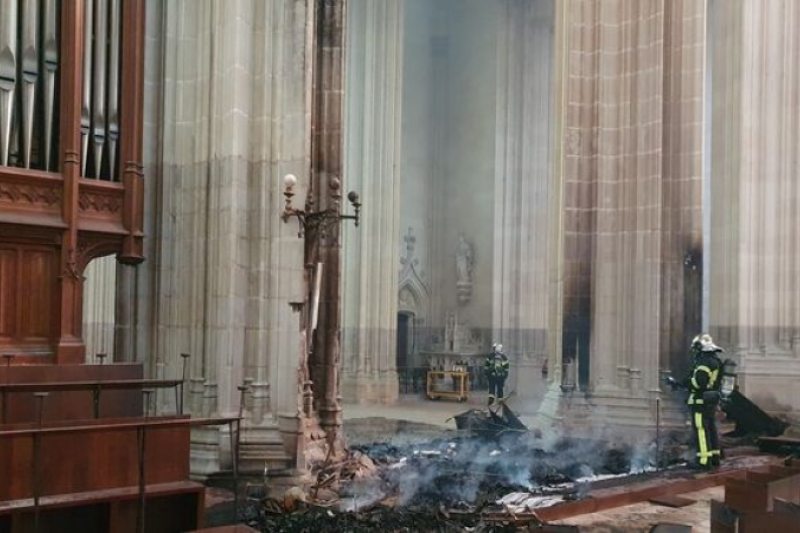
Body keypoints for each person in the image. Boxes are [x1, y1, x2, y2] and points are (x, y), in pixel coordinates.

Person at [685, 333, 725, 469]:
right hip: (710, 401)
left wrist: (686, 382)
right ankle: (714, 458)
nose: (695, 353)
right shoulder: (716, 361)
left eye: (697, 350)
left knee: (701, 429)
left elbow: (699, 382)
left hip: (700, 401)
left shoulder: (704, 363)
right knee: (711, 428)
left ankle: (703, 461)